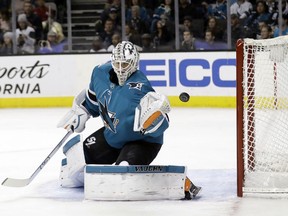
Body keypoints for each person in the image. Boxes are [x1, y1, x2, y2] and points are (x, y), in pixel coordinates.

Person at [57, 41, 201, 200]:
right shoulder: (99, 73)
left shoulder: (141, 86)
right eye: (117, 63)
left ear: (134, 63)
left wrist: (155, 120)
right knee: (75, 166)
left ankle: (179, 183)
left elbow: (160, 119)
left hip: (141, 142)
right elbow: (92, 100)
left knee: (123, 173)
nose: (120, 68)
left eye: (125, 64)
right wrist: (82, 112)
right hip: (111, 136)